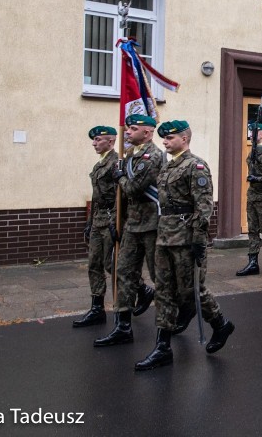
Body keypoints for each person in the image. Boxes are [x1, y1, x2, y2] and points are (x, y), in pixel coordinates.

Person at [135, 120, 234, 370]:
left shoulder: (196, 166)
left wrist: (199, 241)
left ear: (184, 139)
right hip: (165, 235)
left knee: (191, 290)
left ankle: (221, 324)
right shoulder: (167, 168)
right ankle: (162, 347)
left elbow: (203, 207)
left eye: (170, 138)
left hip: (185, 237)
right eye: (164, 138)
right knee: (164, 290)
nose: (165, 142)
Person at [95, 114, 164, 347]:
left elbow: (133, 189)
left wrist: (121, 177)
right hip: (132, 225)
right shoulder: (129, 157)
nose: (127, 133)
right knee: (122, 272)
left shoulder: (152, 157)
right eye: (128, 129)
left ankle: (169, 325)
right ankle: (122, 326)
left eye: (133, 129)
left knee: (159, 277)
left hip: (152, 225)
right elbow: (121, 198)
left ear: (147, 132)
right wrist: (117, 222)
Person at [73, 126, 118, 328]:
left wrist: (117, 222)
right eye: (94, 140)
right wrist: (89, 222)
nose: (94, 143)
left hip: (110, 218)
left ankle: (141, 291)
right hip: (98, 219)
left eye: (98, 140)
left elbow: (121, 196)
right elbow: (95, 196)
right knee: (94, 264)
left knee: (111, 264)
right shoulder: (100, 164)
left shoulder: (116, 162)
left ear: (110, 141)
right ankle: (97, 308)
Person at [236, 122, 262, 276]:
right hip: (252, 196)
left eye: (254, 132)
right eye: (250, 132)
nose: (251, 135)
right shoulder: (251, 152)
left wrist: (257, 178)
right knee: (253, 230)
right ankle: (253, 263)